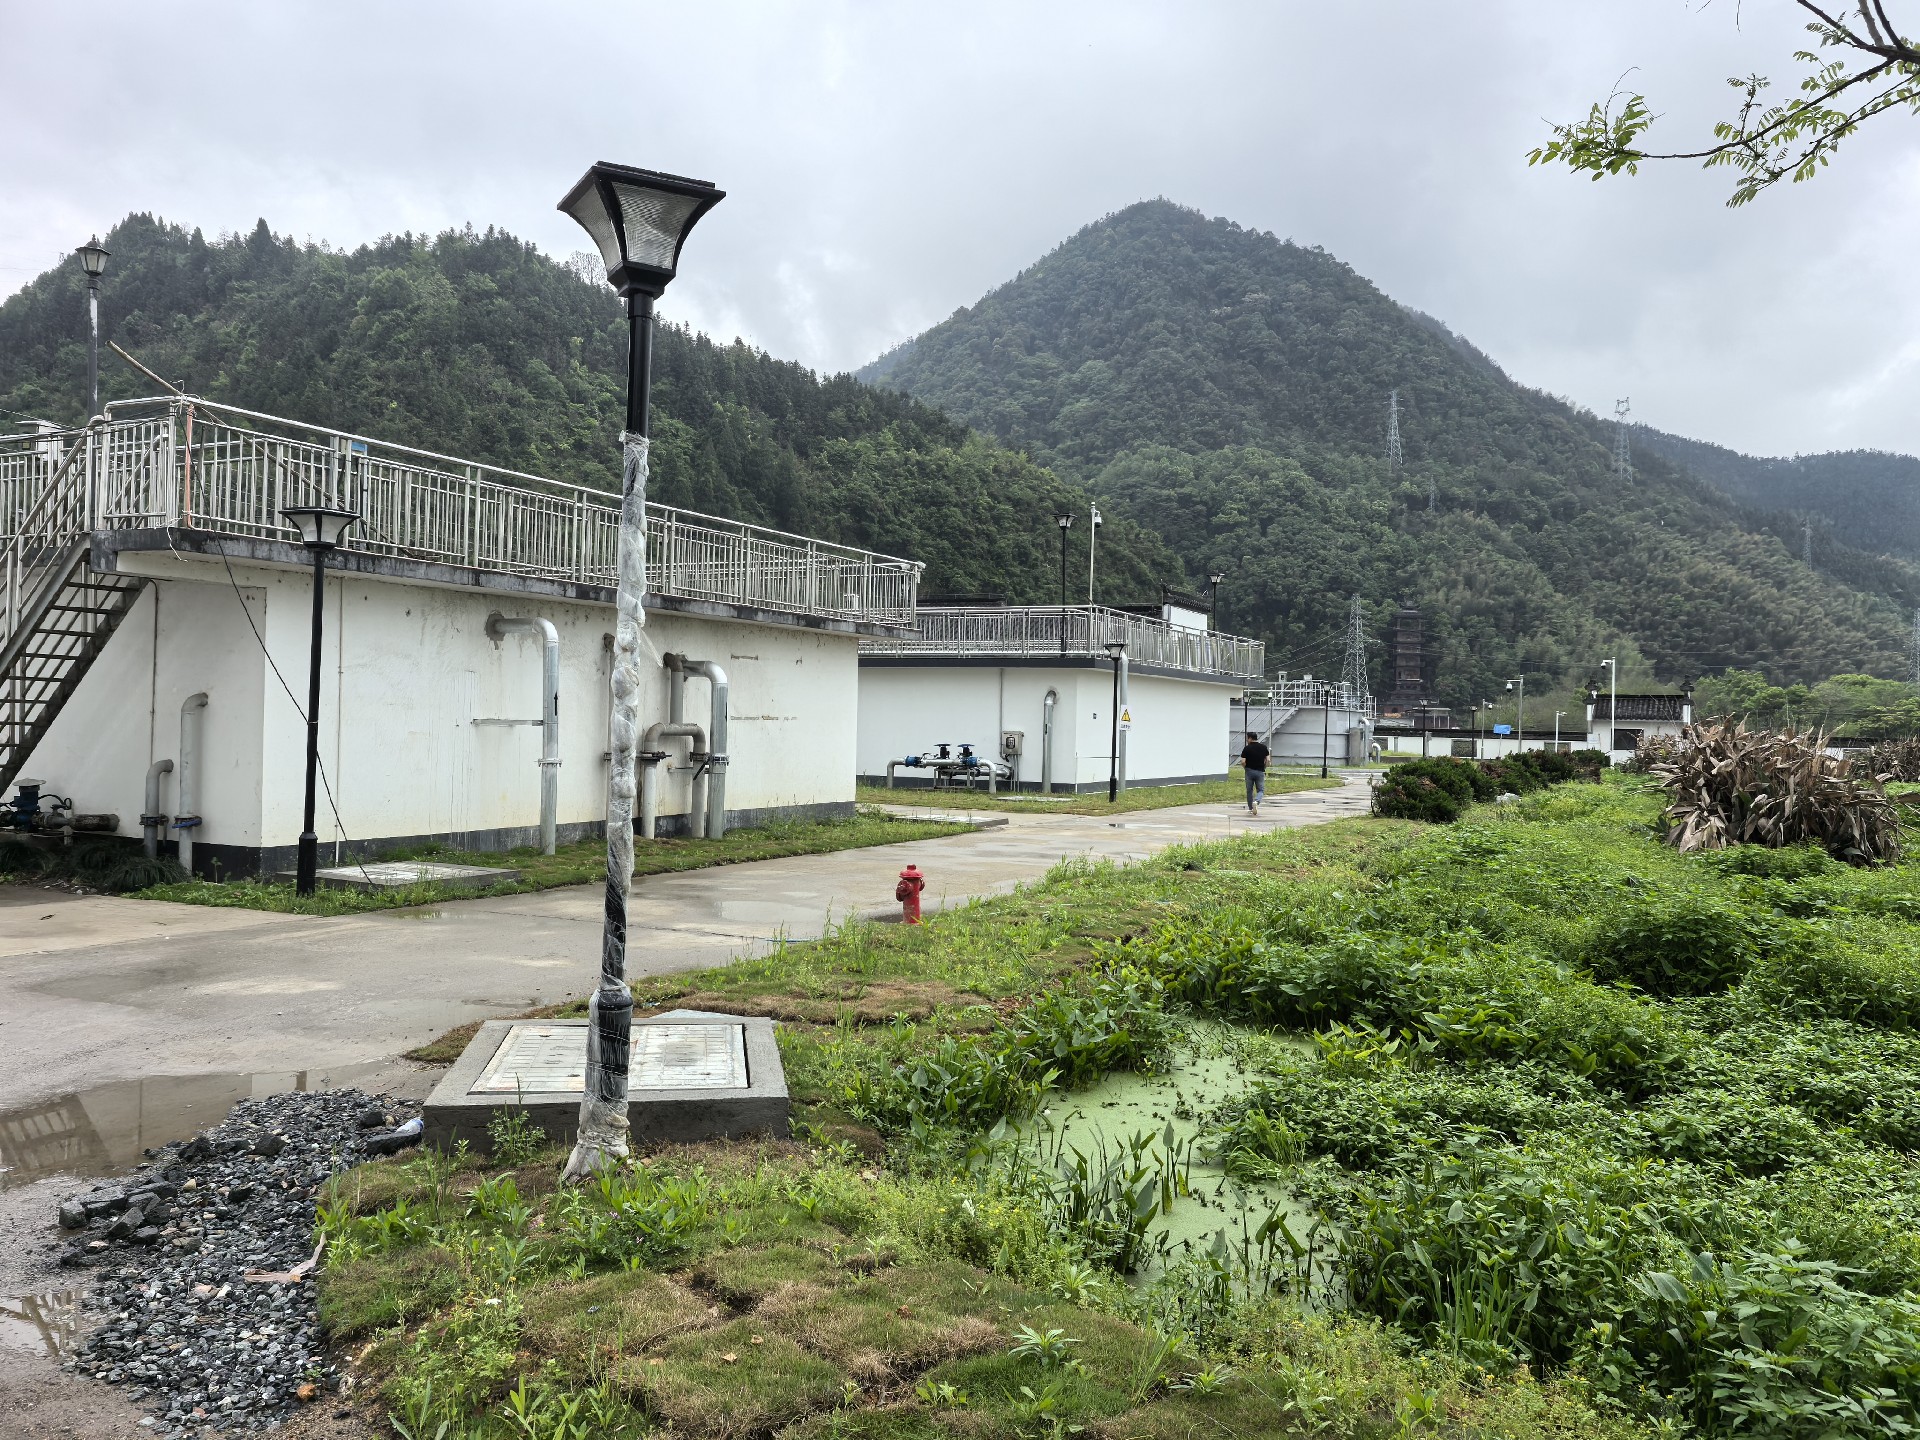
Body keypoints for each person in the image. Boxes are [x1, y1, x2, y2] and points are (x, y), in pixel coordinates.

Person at [1239, 731, 1270, 813]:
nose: (1246, 740)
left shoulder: (1247, 748)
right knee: (1260, 790)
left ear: (1250, 738)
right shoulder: (1263, 747)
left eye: (1247, 738)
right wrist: (1264, 767)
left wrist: (1245, 768)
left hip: (1249, 771)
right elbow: (1268, 760)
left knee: (1249, 790)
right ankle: (1256, 801)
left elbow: (1242, 761)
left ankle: (1250, 808)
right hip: (1260, 771)